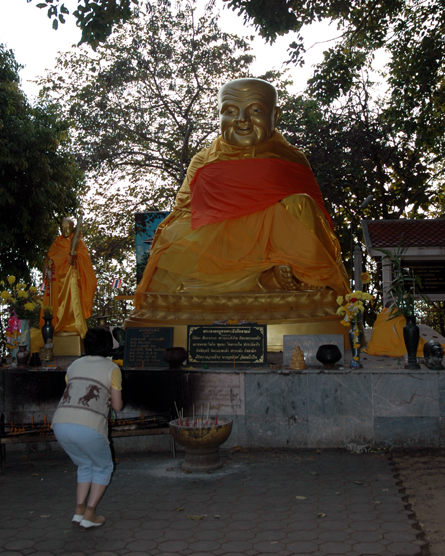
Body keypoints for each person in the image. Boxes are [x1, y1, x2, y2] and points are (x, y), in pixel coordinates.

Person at [134, 78, 349, 309]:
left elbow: (317, 217)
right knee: (171, 239)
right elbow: (184, 210)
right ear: (219, 115)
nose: (242, 120)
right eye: (230, 111)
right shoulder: (204, 160)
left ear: (275, 115)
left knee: (301, 204)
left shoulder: (290, 157)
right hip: (218, 240)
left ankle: (295, 274)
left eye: (256, 110)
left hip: (275, 241)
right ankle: (268, 278)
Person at [52, 327, 123, 529]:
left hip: (60, 424)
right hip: (88, 426)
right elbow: (117, 406)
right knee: (104, 467)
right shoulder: (112, 368)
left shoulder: (75, 365)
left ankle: (79, 510)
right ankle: (90, 514)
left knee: (85, 465)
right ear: (109, 345)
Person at [42, 214, 97, 338]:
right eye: (63, 228)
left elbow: (85, 260)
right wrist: (50, 263)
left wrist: (76, 256)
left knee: (73, 307)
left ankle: (75, 327)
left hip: (72, 281)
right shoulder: (57, 243)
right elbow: (51, 258)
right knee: (57, 308)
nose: (65, 231)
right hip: (58, 285)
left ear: (73, 228)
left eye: (68, 228)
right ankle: (57, 328)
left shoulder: (79, 244)